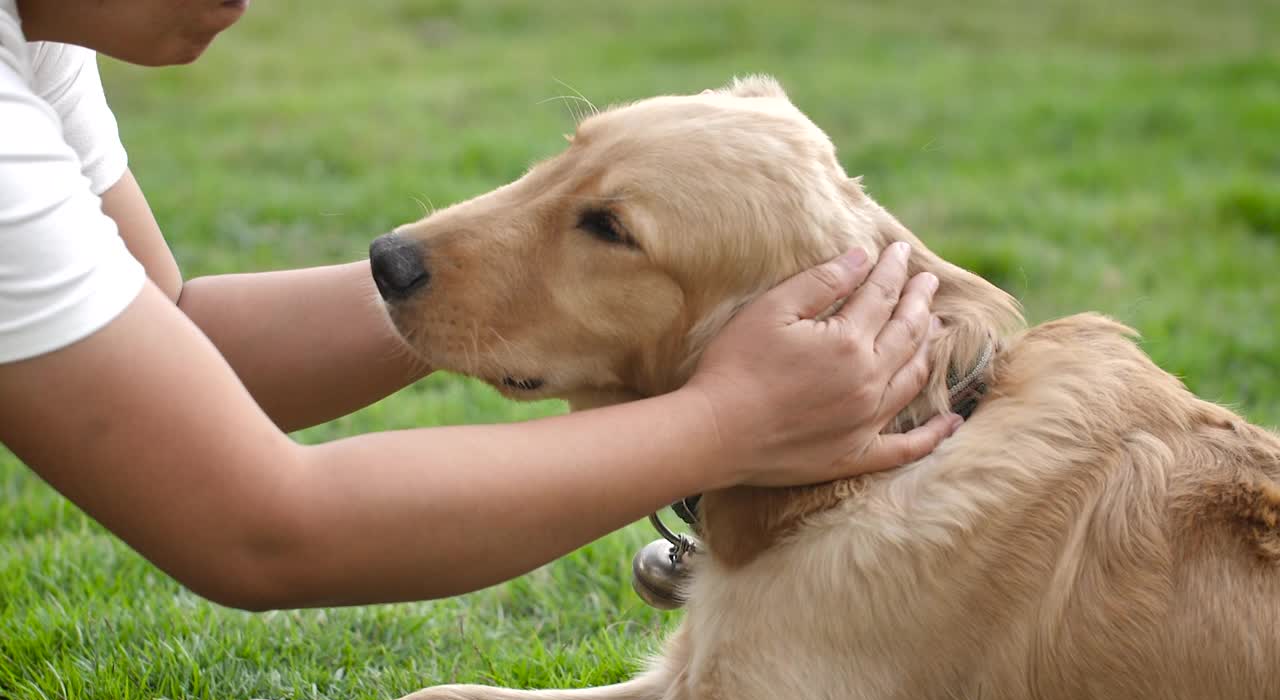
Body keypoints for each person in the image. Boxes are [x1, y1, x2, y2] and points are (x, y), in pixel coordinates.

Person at [0, 0, 958, 611]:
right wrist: (732, 421)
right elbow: (263, 527)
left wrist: (468, 297)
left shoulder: (41, 32)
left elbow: (170, 335)